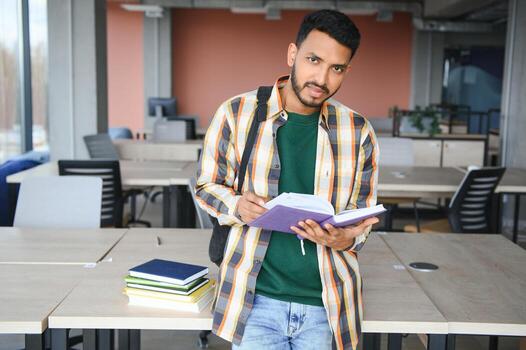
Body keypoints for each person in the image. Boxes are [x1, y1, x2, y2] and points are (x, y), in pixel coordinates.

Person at [195, 9, 379, 350]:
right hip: (256, 301)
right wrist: (237, 206)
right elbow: (206, 187)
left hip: (328, 304)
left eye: (336, 68)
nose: (322, 78)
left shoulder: (358, 131)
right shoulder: (237, 114)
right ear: (293, 55)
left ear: (346, 71)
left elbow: (363, 214)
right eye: (313, 60)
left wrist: (346, 239)